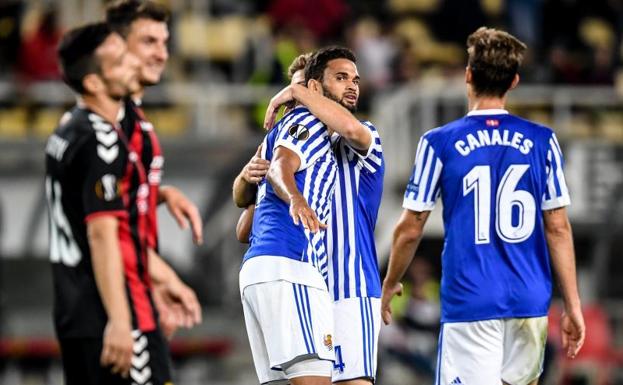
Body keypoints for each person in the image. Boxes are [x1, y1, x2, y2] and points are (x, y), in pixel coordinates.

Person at [381, 27, 585, 385]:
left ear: (468, 75)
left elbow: (411, 227)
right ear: (515, 81)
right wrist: (572, 305)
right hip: (530, 302)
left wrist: (390, 282)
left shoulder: (438, 142)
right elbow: (558, 227)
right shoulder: (544, 141)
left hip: (471, 299)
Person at [236, 46, 385, 385]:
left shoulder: (362, 135)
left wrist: (293, 92)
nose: (297, 103)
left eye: (303, 92)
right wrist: (249, 178)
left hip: (349, 286)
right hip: (304, 274)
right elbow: (245, 226)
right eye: (295, 93)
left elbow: (351, 130)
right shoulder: (298, 137)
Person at [46, 22, 170, 384]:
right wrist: (120, 320)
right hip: (106, 312)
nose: (132, 65)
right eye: (118, 62)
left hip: (73, 312)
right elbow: (104, 234)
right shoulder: (101, 139)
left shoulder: (66, 128)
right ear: (94, 83)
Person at [105, 0, 202, 338]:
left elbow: (113, 198)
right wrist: (166, 278)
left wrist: (159, 194)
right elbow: (106, 227)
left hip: (135, 292)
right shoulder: (110, 123)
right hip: (114, 304)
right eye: (149, 42)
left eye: (164, 43)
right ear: (116, 45)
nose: (162, 54)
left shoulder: (131, 117)